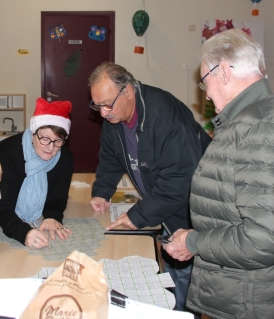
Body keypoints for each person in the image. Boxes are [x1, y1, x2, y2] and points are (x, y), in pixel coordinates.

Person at [164, 28, 274, 318]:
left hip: (259, 301)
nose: (206, 92)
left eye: (205, 82)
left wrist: (192, 242)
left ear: (224, 71)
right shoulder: (251, 120)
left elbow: (266, 238)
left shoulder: (263, 128)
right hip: (251, 294)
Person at [88, 62, 211, 313]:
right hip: (164, 206)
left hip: (195, 208)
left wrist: (140, 215)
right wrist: (102, 191)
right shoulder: (115, 116)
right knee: (171, 272)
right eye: (97, 105)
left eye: (107, 104)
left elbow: (181, 179)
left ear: (129, 91)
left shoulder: (164, 115)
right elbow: (111, 157)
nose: (102, 113)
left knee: (187, 279)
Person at [0, 97, 74, 249]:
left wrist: (52, 216)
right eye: (44, 139)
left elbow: (57, 198)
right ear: (33, 132)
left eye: (58, 141)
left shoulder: (64, 157)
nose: (50, 148)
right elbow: (2, 208)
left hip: (22, 223)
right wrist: (24, 233)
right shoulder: (9, 155)